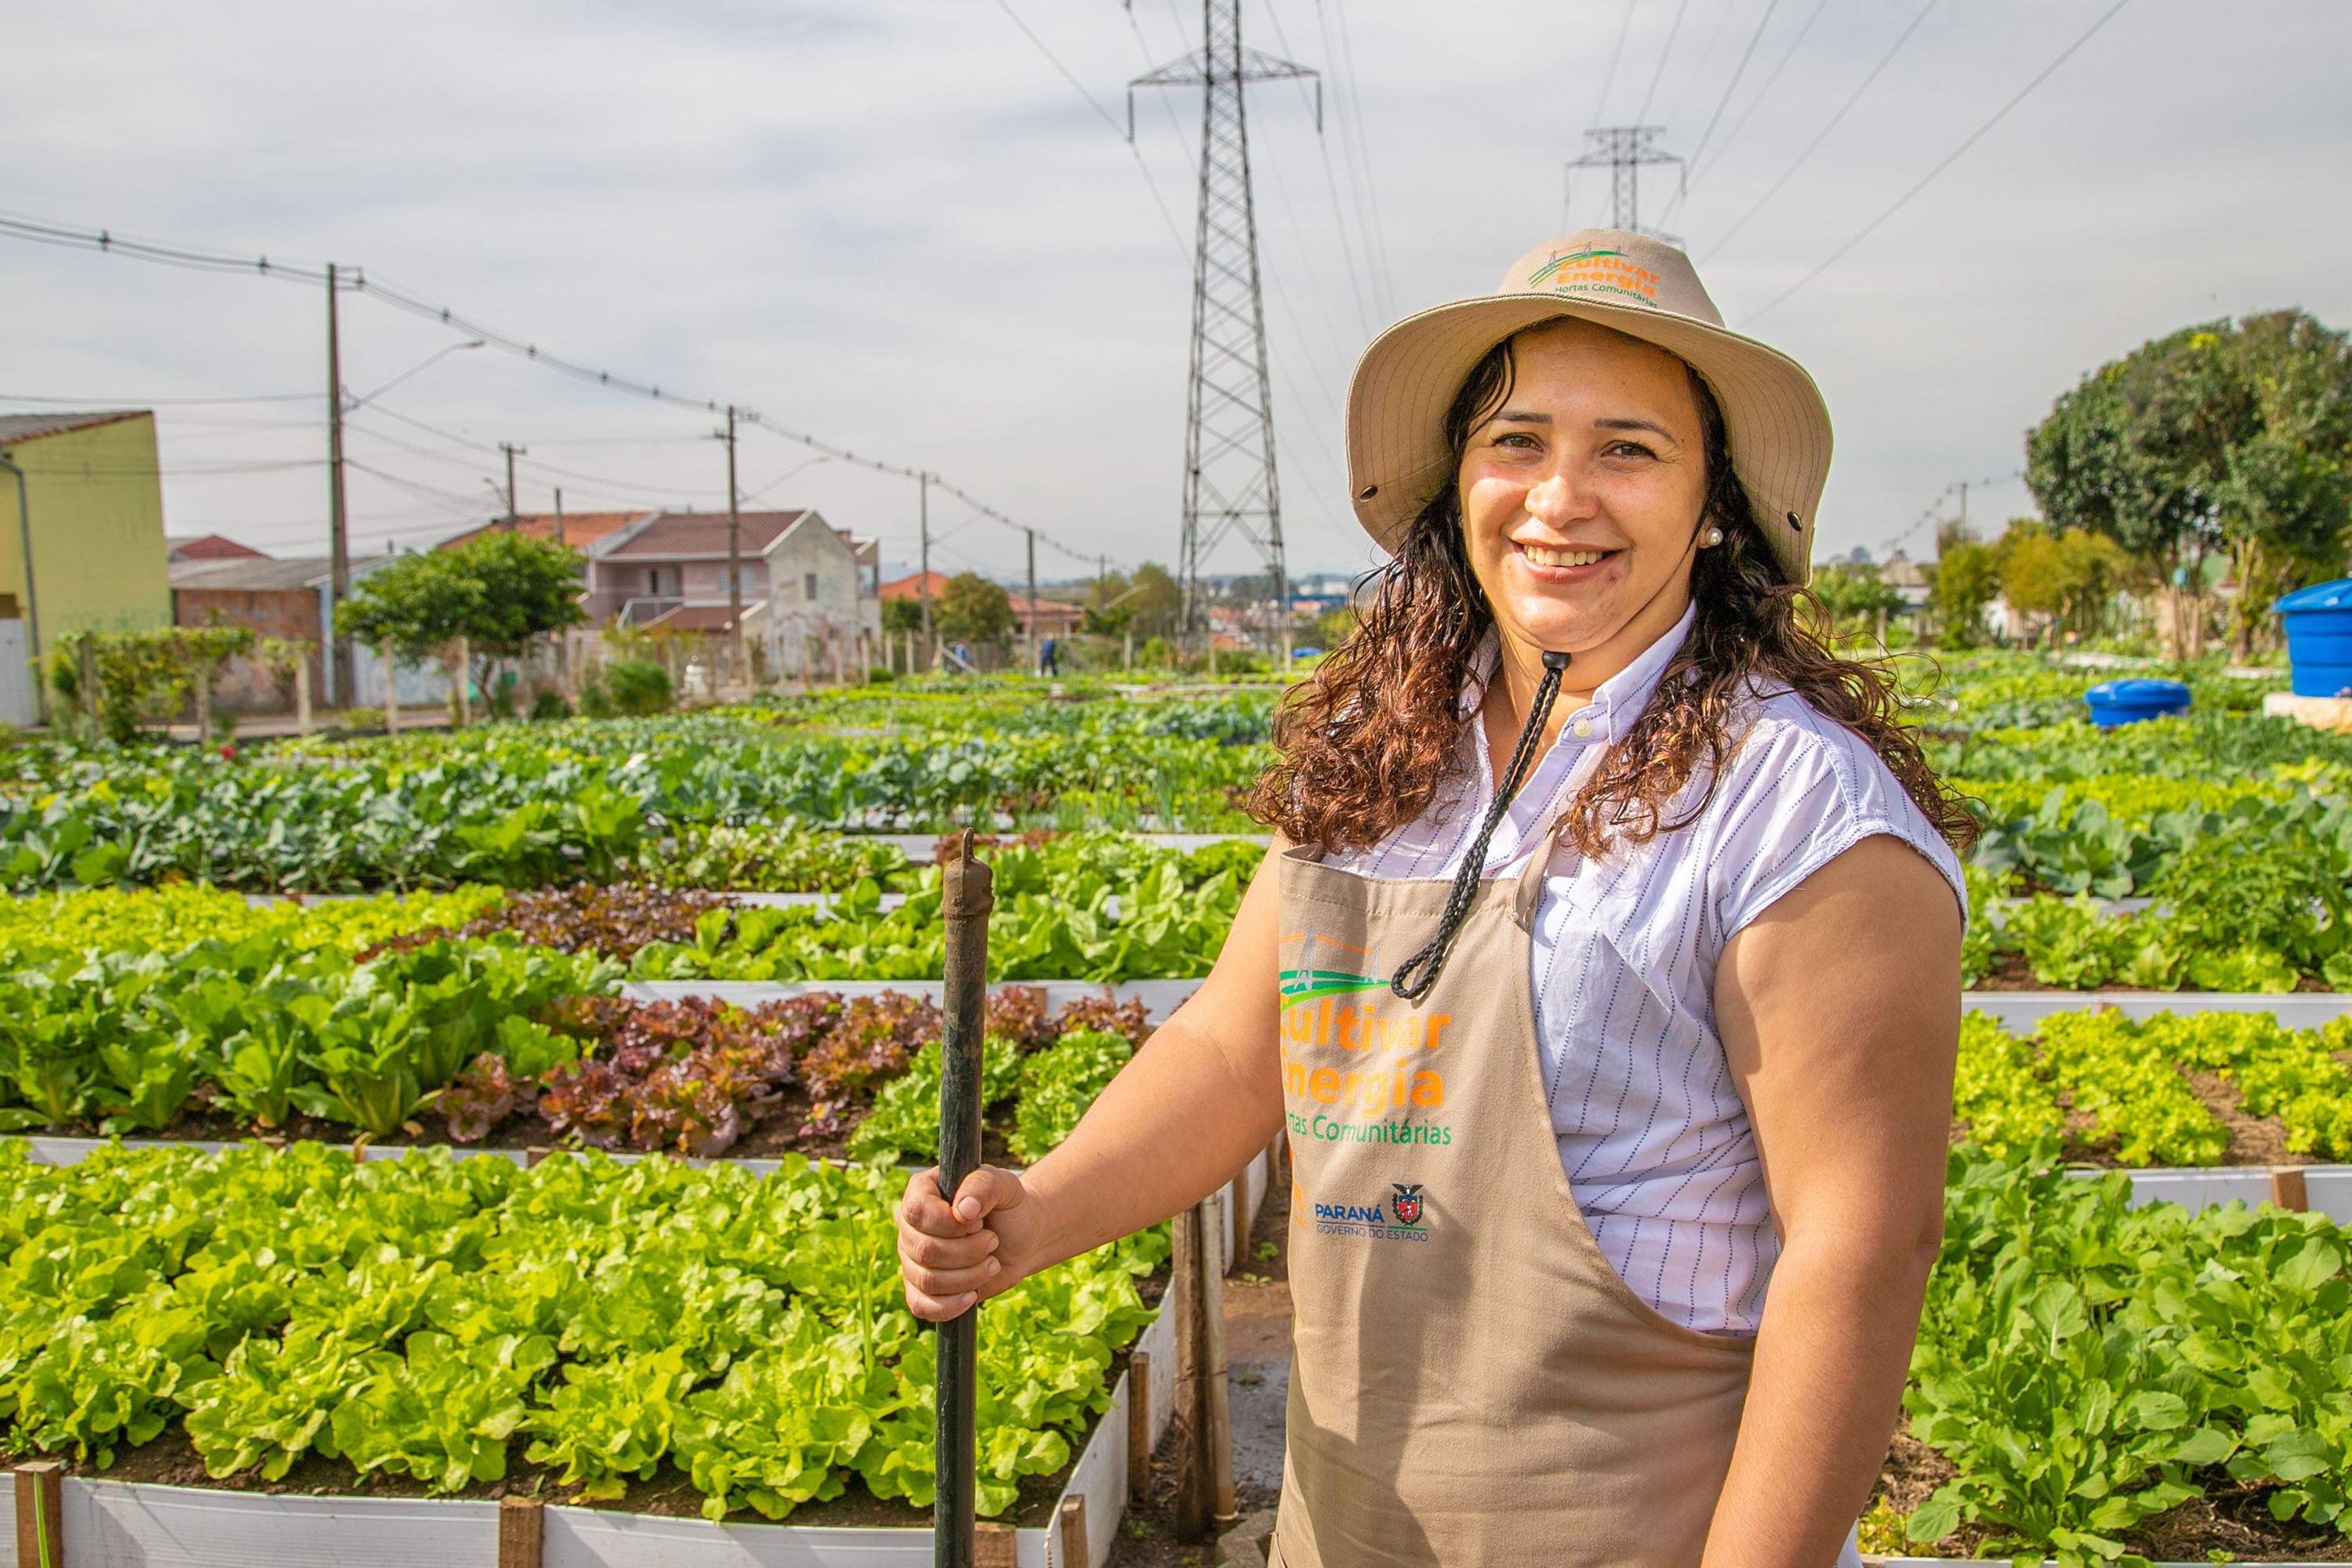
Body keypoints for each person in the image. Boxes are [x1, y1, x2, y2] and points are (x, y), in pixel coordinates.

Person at [897, 230, 1969, 1567]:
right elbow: (1238, 1052)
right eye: (1516, 441)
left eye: (1628, 450)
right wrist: (1036, 1213)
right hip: (1346, 1525)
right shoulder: (1392, 755)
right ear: (1459, 479)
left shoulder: (1796, 809)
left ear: (1715, 505)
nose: (1559, 497)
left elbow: (1857, 1252)